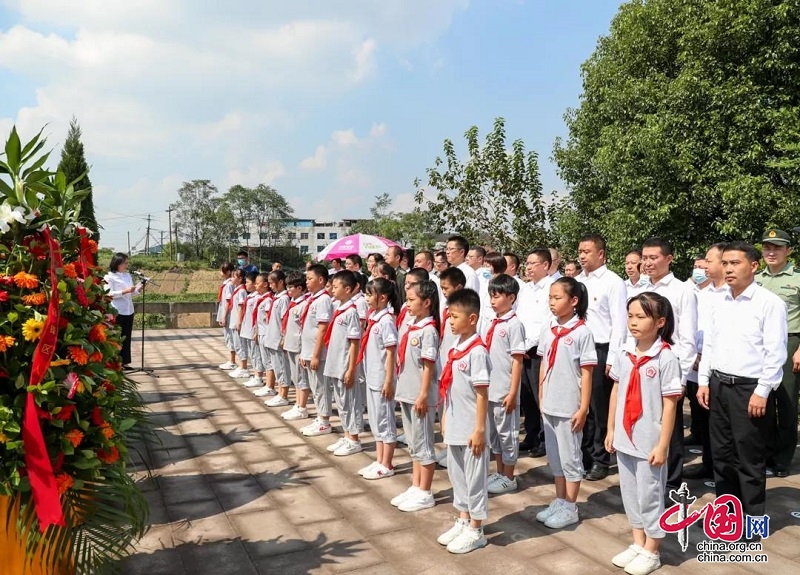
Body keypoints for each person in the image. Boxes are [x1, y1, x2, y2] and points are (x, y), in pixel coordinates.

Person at [698, 241, 787, 520]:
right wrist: (703, 380)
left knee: (748, 457)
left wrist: (762, 391)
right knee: (722, 456)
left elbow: (776, 352)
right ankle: (727, 515)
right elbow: (710, 344)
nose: (728, 269)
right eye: (724, 263)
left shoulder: (769, 303)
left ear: (753, 266)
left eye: (735, 263)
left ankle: (753, 520)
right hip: (718, 385)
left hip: (749, 389)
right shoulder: (718, 300)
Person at [606, 292, 682, 575]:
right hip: (625, 436)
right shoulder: (625, 352)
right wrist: (611, 428)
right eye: (630, 316)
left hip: (649, 440)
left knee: (650, 495)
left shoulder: (665, 357)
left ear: (660, 321)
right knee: (630, 494)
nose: (633, 322)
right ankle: (638, 543)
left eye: (641, 316)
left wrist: (663, 445)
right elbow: (616, 390)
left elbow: (670, 403)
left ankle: (653, 549)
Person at [536, 277, 596, 529]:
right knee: (556, 457)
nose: (552, 302)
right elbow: (542, 363)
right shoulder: (549, 328)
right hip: (549, 403)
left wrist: (583, 408)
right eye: (550, 297)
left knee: (571, 457)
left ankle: (571, 506)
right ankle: (560, 499)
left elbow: (587, 373)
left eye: (557, 297)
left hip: (569, 405)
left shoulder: (582, 332)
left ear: (573, 302)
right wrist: (541, 396)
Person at [436, 288, 491, 555]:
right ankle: (462, 518)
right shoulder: (457, 347)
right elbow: (450, 389)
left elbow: (482, 394)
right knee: (456, 475)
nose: (450, 321)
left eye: (455, 316)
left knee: (474, 478)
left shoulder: (477, 352)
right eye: (449, 316)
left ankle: (476, 528)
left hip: (472, 427)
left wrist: (480, 429)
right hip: (456, 422)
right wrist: (446, 416)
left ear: (472, 319)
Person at [640, 238, 697, 493]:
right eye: (645, 257)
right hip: (641, 365)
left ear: (669, 259)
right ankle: (647, 477)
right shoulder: (639, 290)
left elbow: (687, 338)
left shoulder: (682, 290)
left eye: (654, 257)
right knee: (645, 421)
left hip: (670, 366)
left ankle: (671, 484)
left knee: (670, 429)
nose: (648, 263)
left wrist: (681, 377)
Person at [576, 233, 628, 481]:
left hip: (601, 349)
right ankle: (583, 455)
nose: (582, 256)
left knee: (599, 407)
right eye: (580, 251)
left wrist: (613, 358)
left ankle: (600, 458)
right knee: (580, 405)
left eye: (587, 251)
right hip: (578, 348)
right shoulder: (576, 281)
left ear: (601, 254)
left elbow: (620, 323)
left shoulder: (613, 282)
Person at [392, 280, 440, 512]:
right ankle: (416, 484)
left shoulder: (428, 330)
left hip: (420, 395)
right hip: (407, 392)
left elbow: (428, 366)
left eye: (411, 300)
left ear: (427, 302)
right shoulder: (412, 326)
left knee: (424, 443)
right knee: (413, 443)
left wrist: (422, 395)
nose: (407, 304)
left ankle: (426, 491)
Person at [757, 229, 800, 478]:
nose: (771, 253)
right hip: (759, 344)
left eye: (777, 248)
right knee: (762, 399)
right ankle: (766, 452)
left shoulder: (796, 279)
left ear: (788, 251)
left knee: (785, 401)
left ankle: (782, 459)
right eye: (767, 248)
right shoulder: (756, 278)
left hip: (789, 342)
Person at [683, 243, 727, 480]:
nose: (704, 266)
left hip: (724, 368)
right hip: (701, 363)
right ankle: (709, 465)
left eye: (709, 261)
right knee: (707, 420)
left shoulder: (731, 294)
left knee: (723, 426)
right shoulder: (702, 293)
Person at [482, 274, 526, 495]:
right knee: (495, 435)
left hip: (504, 390)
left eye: (497, 296)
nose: (492, 300)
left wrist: (512, 392)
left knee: (507, 434)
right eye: (491, 296)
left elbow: (517, 361)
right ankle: (499, 471)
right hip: (490, 389)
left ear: (511, 297)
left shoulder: (514, 325)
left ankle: (509, 476)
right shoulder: (492, 321)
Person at [358, 278, 400, 479]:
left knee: (385, 421)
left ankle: (388, 463)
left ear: (382, 297)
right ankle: (379, 459)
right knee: (376, 421)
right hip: (372, 377)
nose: (366, 298)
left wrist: (389, 380)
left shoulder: (386, 321)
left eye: (369, 294)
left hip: (382, 379)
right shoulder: (374, 318)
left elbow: (391, 353)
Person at [515, 248, 554, 457]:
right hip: (522, 349)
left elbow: (547, 322)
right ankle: (530, 435)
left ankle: (544, 438)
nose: (528, 267)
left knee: (541, 398)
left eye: (533, 263)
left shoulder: (552, 288)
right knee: (527, 395)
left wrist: (529, 344)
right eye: (527, 264)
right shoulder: (525, 289)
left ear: (545, 266)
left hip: (538, 350)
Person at [324, 270, 364, 456]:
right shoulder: (339, 309)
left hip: (344, 365)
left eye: (336, 287)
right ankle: (347, 435)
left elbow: (354, 342)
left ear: (347, 289)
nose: (332, 289)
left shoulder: (351, 312)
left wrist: (351, 368)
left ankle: (354, 439)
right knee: (341, 403)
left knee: (350, 402)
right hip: (335, 363)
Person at [300, 264, 335, 436]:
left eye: (310, 278)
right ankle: (321, 417)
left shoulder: (323, 300)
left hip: (318, 353)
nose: (307, 282)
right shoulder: (312, 299)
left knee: (321, 387)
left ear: (321, 280)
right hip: (308, 350)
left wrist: (315, 355)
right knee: (315, 387)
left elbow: (322, 328)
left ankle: (325, 422)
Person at [279, 271, 311, 421]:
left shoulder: (304, 304)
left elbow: (304, 328)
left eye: (291, 287)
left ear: (300, 288)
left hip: (299, 346)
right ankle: (298, 404)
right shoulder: (293, 303)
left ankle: (302, 407)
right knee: (296, 377)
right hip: (290, 344)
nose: (288, 290)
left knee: (301, 378)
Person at [105, 252, 143, 369]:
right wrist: (125, 291)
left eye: (127, 263)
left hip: (128, 310)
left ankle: (124, 361)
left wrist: (139, 288)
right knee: (116, 337)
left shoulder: (127, 276)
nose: (126, 265)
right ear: (117, 263)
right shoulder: (109, 276)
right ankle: (114, 362)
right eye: (124, 263)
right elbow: (108, 293)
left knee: (126, 336)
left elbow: (132, 292)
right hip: (117, 310)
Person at [263, 270, 292, 408]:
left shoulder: (284, 299)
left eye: (272, 283)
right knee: (276, 367)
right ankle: (280, 393)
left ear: (281, 282)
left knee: (282, 368)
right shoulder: (276, 298)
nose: (270, 286)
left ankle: (284, 395)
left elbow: (284, 320)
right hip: (272, 337)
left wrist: (283, 337)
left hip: (277, 340)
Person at [242, 273, 272, 391]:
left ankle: (262, 380)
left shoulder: (266, 299)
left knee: (265, 360)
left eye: (257, 283)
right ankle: (258, 376)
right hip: (258, 331)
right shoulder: (260, 298)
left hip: (264, 333)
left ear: (265, 285)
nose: (255, 285)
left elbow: (267, 319)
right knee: (255, 355)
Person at [237, 272, 262, 389]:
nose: (246, 285)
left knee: (256, 354)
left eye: (248, 282)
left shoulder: (257, 297)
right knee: (252, 354)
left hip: (252, 330)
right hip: (247, 329)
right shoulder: (251, 296)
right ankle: (256, 375)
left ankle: (258, 377)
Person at [226, 270, 250, 379]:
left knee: (241, 345)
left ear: (240, 279)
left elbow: (241, 307)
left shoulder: (241, 291)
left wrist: (239, 321)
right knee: (236, 344)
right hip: (233, 320)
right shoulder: (237, 290)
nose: (231, 278)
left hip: (237, 321)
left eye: (233, 276)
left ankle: (244, 368)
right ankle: (241, 366)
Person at [216, 262, 237, 370]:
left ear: (228, 272)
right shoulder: (226, 284)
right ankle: (232, 360)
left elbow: (228, 302)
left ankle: (232, 361)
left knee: (230, 338)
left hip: (228, 314)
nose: (221, 272)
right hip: (225, 313)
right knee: (228, 337)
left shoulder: (229, 285)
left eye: (223, 270)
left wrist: (223, 317)